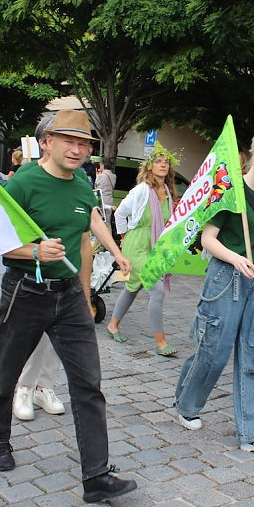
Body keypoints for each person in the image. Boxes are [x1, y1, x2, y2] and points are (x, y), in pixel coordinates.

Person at [0, 109, 137, 503]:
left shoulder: (83, 184)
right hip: (26, 291)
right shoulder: (23, 183)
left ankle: (97, 476)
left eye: (84, 143)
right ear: (47, 142)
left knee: (88, 383)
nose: (77, 149)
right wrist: (34, 249)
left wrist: (90, 289)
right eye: (69, 140)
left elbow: (87, 232)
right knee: (6, 372)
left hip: (69, 295)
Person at [175, 134, 254, 458]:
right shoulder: (228, 191)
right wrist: (235, 257)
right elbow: (208, 238)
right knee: (213, 350)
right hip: (226, 276)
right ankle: (187, 403)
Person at [11, 114, 68, 421]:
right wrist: (34, 250)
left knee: (53, 340)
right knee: (29, 338)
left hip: (64, 277)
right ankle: (23, 386)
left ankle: (43, 385)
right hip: (29, 277)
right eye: (63, 138)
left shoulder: (76, 178)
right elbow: (2, 235)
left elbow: (90, 221)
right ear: (45, 142)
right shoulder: (26, 177)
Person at [108, 143, 178, 356]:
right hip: (136, 245)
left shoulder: (167, 190)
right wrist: (122, 238)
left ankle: (113, 325)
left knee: (133, 287)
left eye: (166, 162)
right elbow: (119, 213)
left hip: (154, 247)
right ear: (149, 166)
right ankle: (161, 342)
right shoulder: (140, 191)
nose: (163, 165)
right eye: (158, 161)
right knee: (156, 290)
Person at [95, 156, 117, 226]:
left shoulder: (100, 176)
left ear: (103, 165)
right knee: (107, 222)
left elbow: (96, 188)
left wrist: (97, 176)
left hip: (102, 199)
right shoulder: (114, 176)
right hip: (110, 200)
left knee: (100, 221)